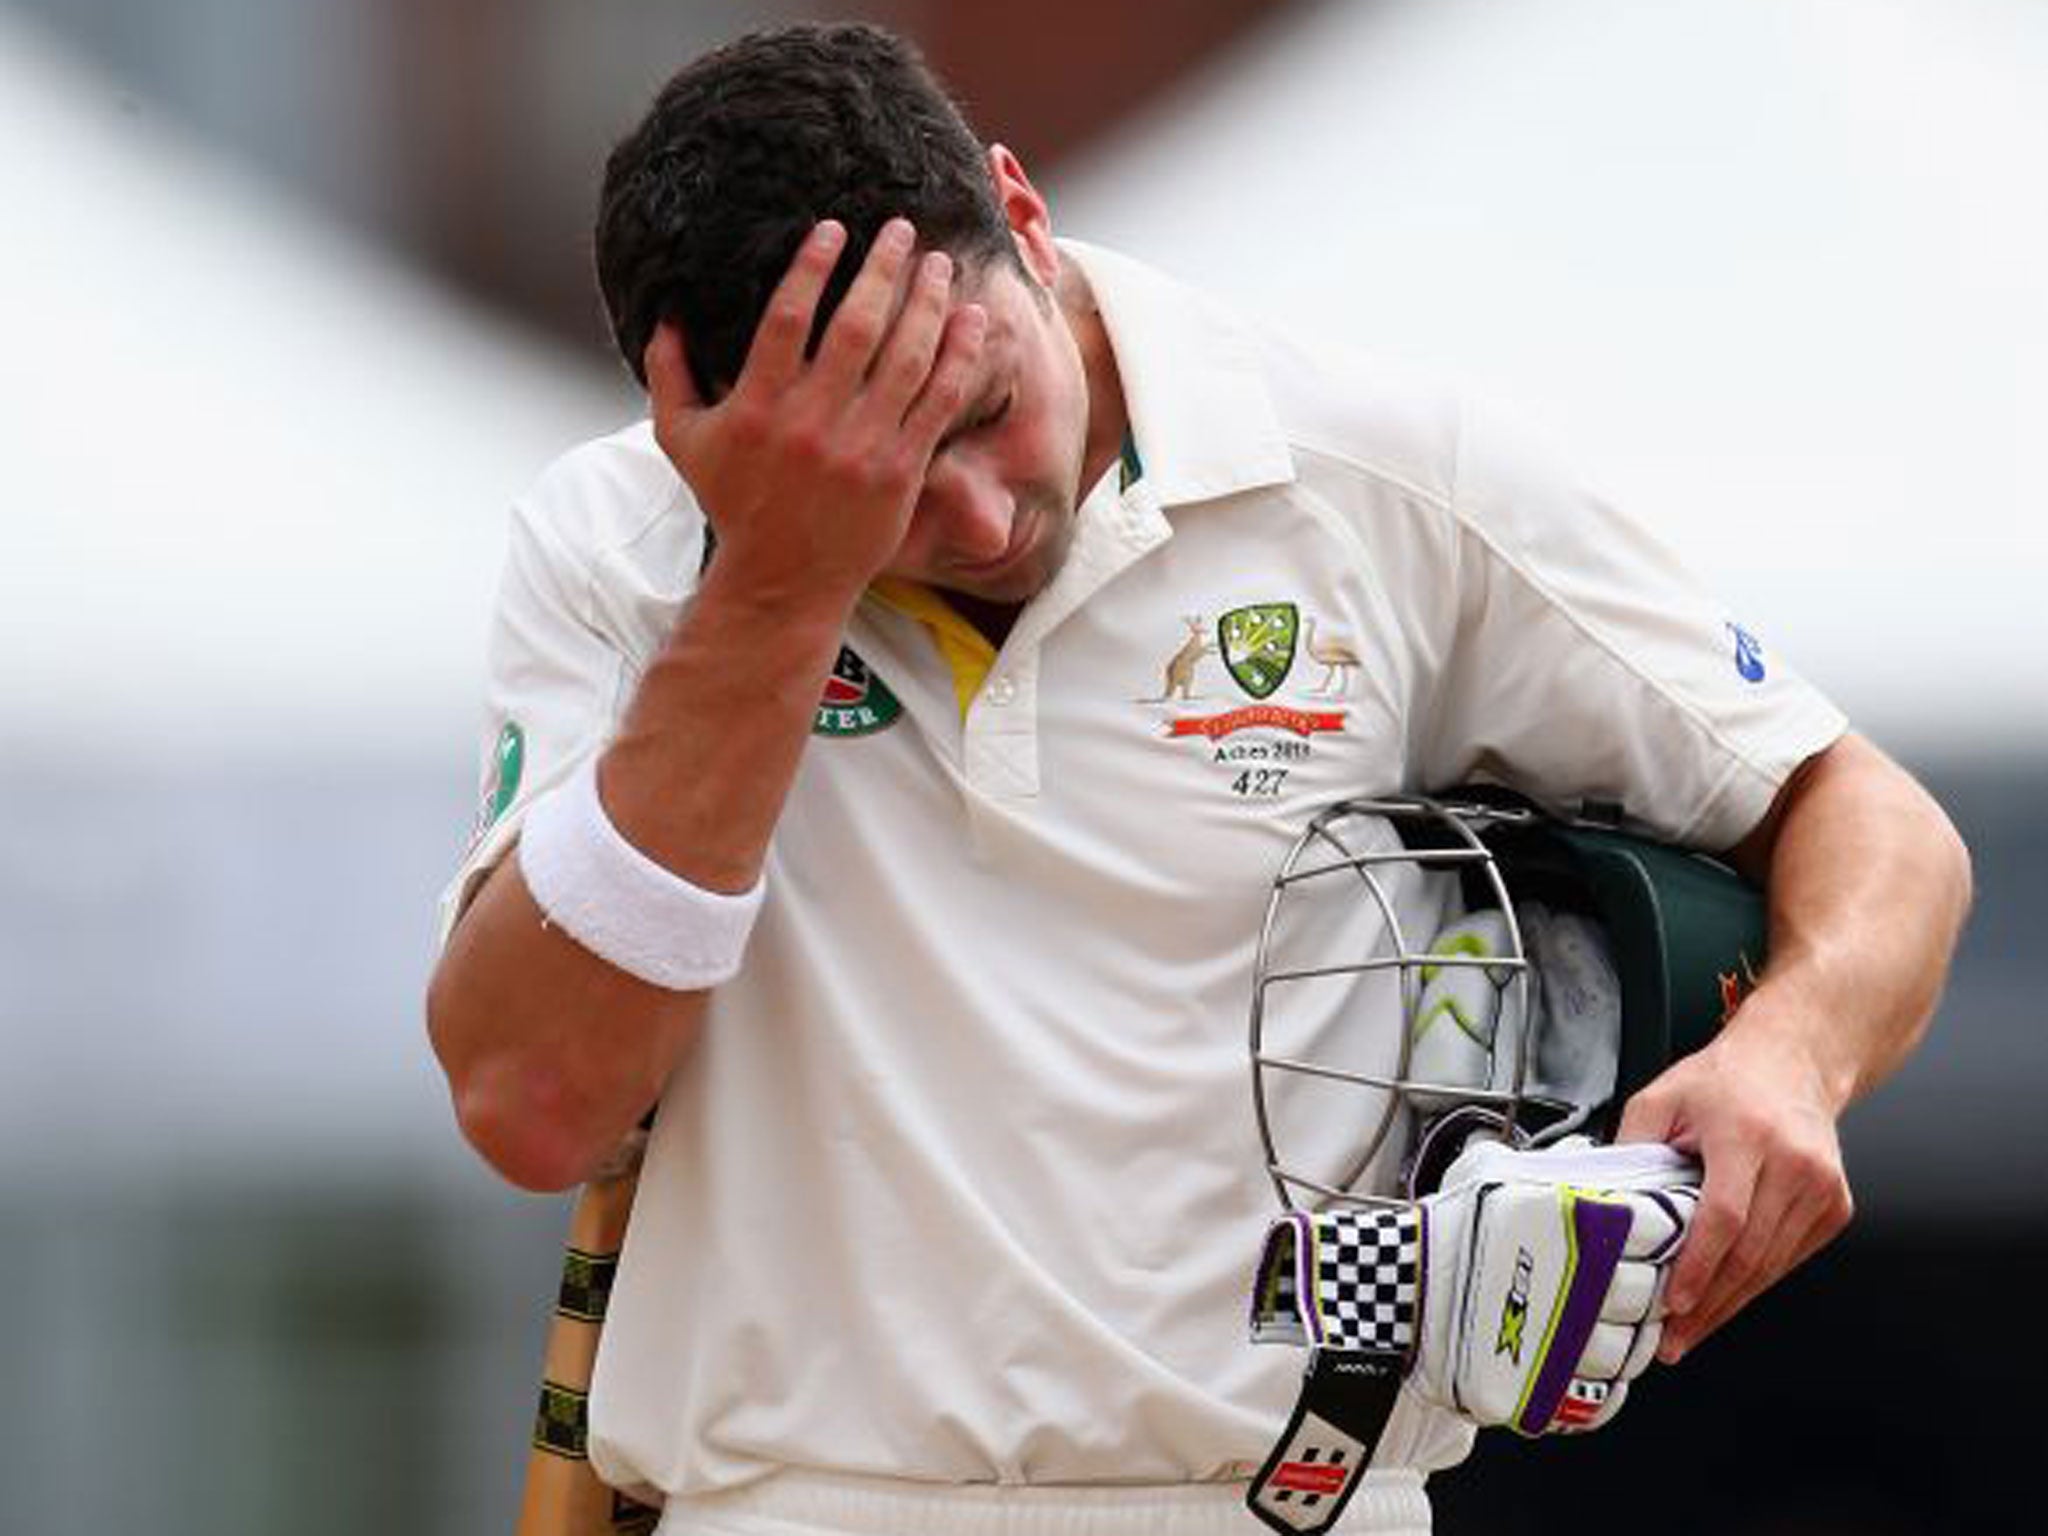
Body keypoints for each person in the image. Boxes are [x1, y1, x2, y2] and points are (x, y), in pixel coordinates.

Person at [426, 21, 1970, 1536]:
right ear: (697, 439)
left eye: (979, 412)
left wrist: (1795, 1056)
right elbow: (535, 1106)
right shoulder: (616, 549)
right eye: (884, 477)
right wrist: (774, 585)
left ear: (1023, 216)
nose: (970, 518)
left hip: (1297, 1507)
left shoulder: (1375, 469)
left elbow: (1872, 822)